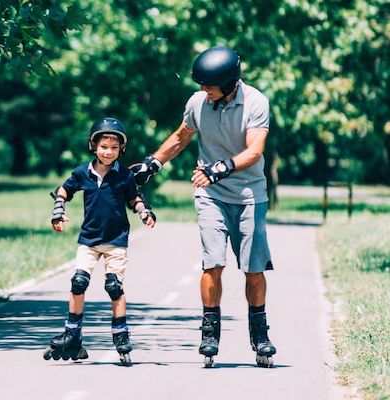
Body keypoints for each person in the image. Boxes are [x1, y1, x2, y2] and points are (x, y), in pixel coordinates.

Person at [132, 45, 277, 368]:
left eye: (208, 86)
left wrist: (220, 168)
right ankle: (210, 332)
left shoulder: (255, 102)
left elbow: (254, 151)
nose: (202, 91)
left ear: (229, 84)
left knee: (253, 269)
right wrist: (153, 163)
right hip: (210, 195)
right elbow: (182, 137)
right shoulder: (199, 102)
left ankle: (260, 335)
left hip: (250, 195)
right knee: (212, 264)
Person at [43, 117, 156, 366]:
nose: (108, 152)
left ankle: (120, 335)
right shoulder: (83, 172)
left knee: (114, 286)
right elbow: (64, 189)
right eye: (104, 147)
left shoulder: (124, 175)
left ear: (121, 150)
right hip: (89, 239)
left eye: (114, 148)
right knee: (78, 282)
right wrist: (58, 208)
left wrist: (144, 211)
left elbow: (134, 198)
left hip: (116, 241)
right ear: (93, 146)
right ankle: (72, 333)